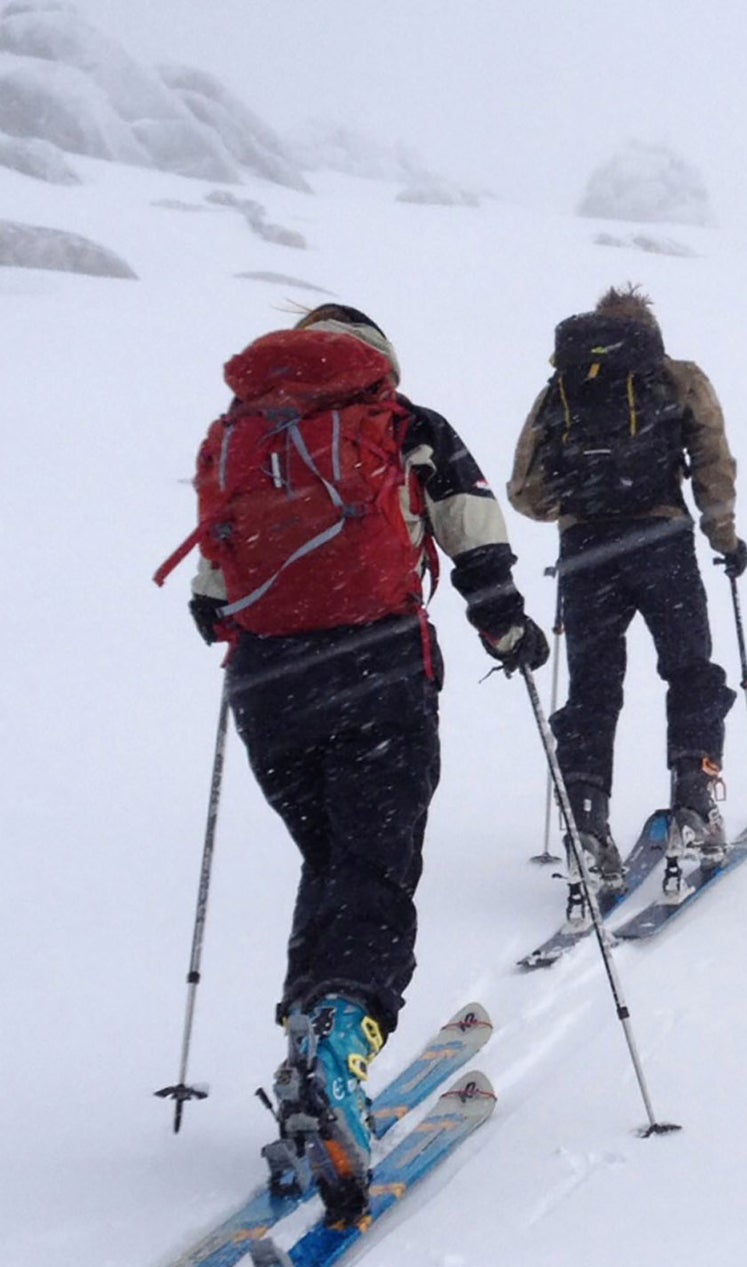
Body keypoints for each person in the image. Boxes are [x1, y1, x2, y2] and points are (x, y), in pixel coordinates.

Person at [158, 303, 547, 1219]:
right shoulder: (405, 425)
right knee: (374, 865)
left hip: (268, 689)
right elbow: (473, 530)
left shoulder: (241, 439)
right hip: (376, 671)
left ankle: (309, 1040)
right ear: (379, 363)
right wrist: (502, 621)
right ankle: (340, 1042)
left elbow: (211, 598)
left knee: (331, 859)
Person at [506, 284, 747, 888]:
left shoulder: (561, 387)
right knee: (690, 670)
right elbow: (712, 459)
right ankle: (695, 796)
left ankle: (587, 820)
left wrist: (582, 504)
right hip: (661, 543)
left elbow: (525, 490)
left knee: (592, 688)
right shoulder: (676, 377)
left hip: (586, 552)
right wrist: (725, 540)